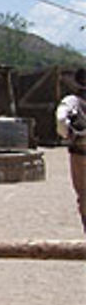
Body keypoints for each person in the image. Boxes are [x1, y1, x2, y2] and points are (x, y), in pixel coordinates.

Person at [55, 67, 86, 232]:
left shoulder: (72, 101)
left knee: (83, 194)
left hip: (81, 151)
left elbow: (61, 119)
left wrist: (67, 134)